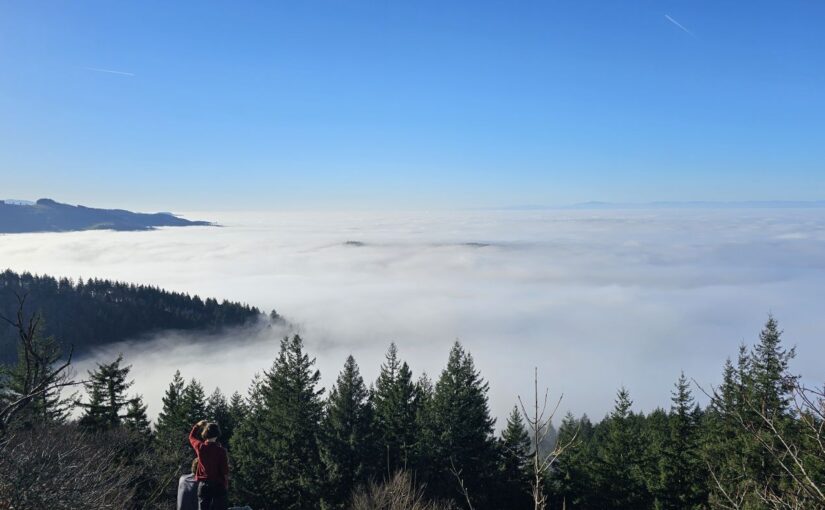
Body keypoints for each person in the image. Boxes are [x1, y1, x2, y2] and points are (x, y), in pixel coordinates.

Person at [189, 419, 229, 510]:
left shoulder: (200, 447)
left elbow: (191, 437)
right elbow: (224, 470)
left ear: (205, 434)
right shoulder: (221, 451)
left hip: (204, 485)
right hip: (218, 485)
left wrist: (197, 425)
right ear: (217, 434)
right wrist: (225, 485)